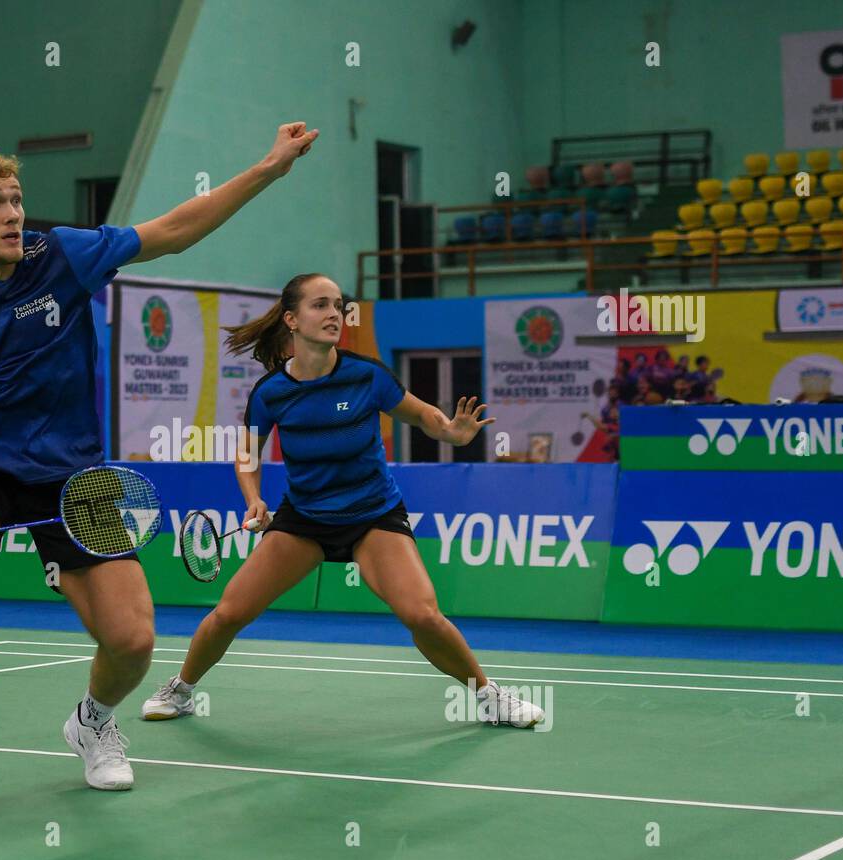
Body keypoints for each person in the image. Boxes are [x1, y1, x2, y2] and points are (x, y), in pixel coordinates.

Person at [0, 124, 320, 811]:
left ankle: (93, 723)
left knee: (133, 639)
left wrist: (268, 168)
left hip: (72, 472)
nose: (14, 214)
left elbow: (174, 229)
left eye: (17, 199)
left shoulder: (63, 257)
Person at [140, 273, 544, 728]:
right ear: (292, 319)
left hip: (373, 515)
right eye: (320, 305)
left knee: (423, 615)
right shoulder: (271, 393)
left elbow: (422, 414)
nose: (334, 314)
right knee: (230, 611)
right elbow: (248, 454)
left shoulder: (365, 375)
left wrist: (450, 430)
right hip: (306, 518)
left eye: (337, 305)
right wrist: (253, 498)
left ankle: (490, 696)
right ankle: (182, 689)